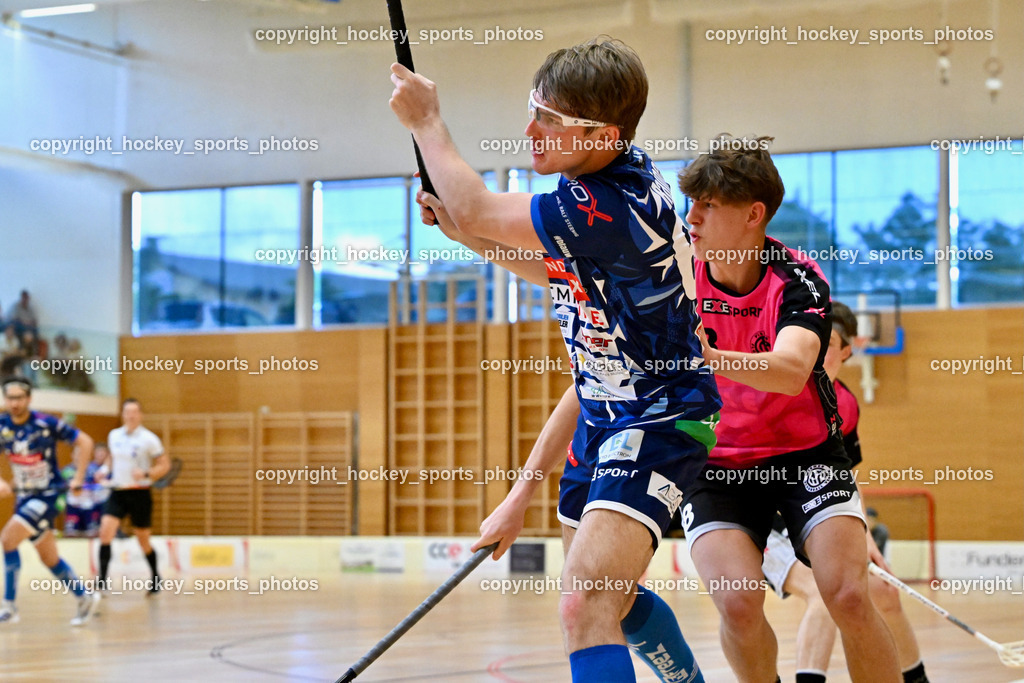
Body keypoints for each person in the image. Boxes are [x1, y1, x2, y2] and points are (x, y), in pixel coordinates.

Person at [391, 37, 722, 683]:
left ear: (605, 134)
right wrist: (468, 237)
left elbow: (478, 205)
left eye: (550, 120)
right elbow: (553, 268)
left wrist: (427, 123)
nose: (531, 131)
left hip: (661, 420)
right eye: (532, 109)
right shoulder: (599, 184)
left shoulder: (611, 204)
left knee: (584, 600)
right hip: (603, 412)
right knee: (611, 602)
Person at [677, 136, 901, 682]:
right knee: (737, 605)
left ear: (754, 215)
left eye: (708, 204)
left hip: (806, 457)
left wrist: (706, 354)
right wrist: (467, 227)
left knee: (849, 595)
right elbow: (567, 268)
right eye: (692, 202)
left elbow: (791, 370)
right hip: (714, 464)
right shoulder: (676, 270)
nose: (693, 216)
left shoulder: (799, 280)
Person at [761, 302, 928, 683]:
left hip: (815, 517)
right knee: (826, 592)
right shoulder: (778, 391)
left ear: (848, 351)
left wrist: (863, 533)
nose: (816, 351)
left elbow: (846, 477)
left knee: (883, 592)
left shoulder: (845, 404)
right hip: (765, 522)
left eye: (828, 343)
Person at [0, 377, 100, 625]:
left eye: (19, 398)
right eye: (10, 398)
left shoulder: (46, 423)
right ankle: (84, 596)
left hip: (48, 496)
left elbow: (85, 441)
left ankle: (9, 605)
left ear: (29, 399)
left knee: (8, 538)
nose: (14, 403)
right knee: (49, 558)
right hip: (24, 497)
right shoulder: (2, 425)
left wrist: (78, 477)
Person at [97, 398, 169, 595]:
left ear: (140, 415)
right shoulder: (114, 435)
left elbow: (164, 465)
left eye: (134, 412)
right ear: (123, 415)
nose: (130, 415)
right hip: (118, 491)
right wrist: (104, 470)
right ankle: (101, 582)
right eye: (127, 412)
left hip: (139, 493)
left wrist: (146, 474)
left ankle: (155, 576)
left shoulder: (149, 439)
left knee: (142, 539)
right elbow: (112, 457)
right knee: (105, 532)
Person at [62, 443, 111, 538]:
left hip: (89, 507)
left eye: (82, 454)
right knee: (71, 534)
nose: (79, 456)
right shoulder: (66, 471)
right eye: (77, 453)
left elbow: (101, 479)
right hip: (72, 507)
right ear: (72, 455)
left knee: (93, 533)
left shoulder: (92, 469)